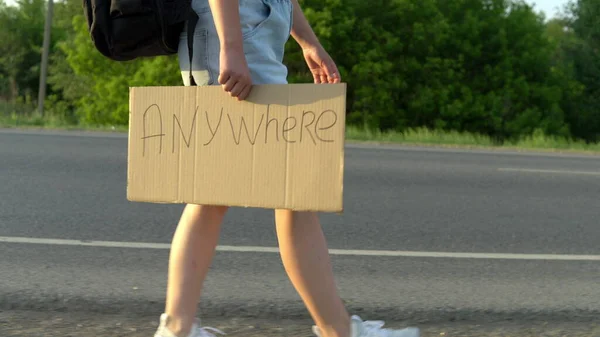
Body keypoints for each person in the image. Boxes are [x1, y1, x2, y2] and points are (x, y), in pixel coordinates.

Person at [153, 0, 421, 337]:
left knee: (271, 193)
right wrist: (232, 47)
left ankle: (178, 328)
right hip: (235, 26)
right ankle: (338, 330)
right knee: (253, 191)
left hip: (254, 25)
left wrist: (308, 41)